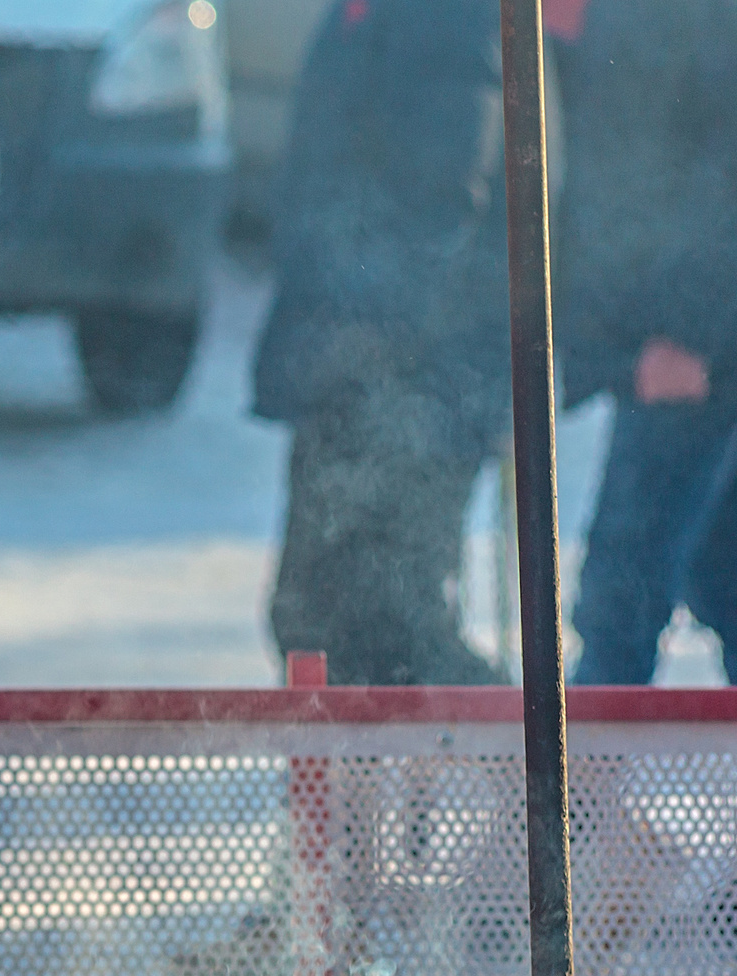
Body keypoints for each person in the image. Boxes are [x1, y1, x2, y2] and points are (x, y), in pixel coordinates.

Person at [557, 0, 737, 687]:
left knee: (620, 593)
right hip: (671, 327)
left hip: (687, 337)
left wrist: (696, 335)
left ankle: (575, 792)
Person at [251, 0, 523, 687]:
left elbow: (443, 192)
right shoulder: (360, 10)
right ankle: (350, 795)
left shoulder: (445, 14)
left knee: (394, 631)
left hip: (412, 384)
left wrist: (367, 335)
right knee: (309, 619)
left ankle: (535, 775)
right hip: (345, 371)